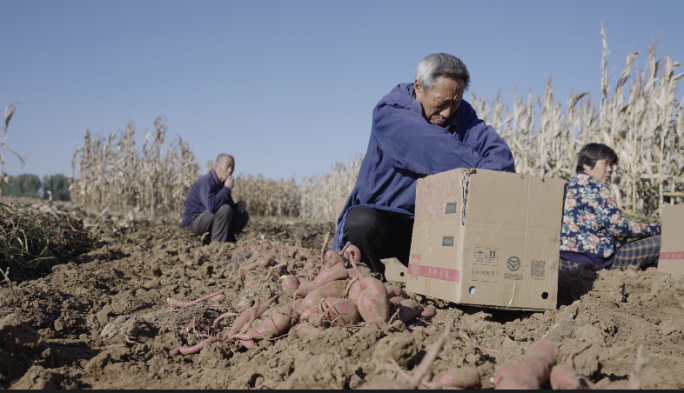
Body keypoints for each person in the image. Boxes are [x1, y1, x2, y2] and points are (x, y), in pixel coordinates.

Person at [332, 53, 515, 275]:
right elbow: (432, 148)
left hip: (434, 225)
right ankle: (370, 281)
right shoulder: (390, 113)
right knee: (361, 221)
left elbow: (501, 159)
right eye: (441, 103)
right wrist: (481, 174)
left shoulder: (464, 116)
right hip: (387, 222)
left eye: (455, 104)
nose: (447, 113)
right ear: (419, 87)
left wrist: (488, 178)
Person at [560, 143, 661, 270]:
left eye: (611, 165)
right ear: (586, 164)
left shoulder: (568, 186)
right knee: (662, 242)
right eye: (605, 164)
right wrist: (658, 229)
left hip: (565, 257)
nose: (610, 169)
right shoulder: (596, 187)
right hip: (594, 259)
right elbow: (618, 227)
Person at [182, 154, 249, 243]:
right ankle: (216, 247)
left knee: (243, 215)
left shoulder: (223, 184)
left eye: (232, 167)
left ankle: (228, 241)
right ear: (216, 165)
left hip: (209, 219)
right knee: (225, 209)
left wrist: (238, 206)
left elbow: (229, 206)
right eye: (227, 166)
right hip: (193, 223)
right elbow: (212, 206)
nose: (230, 170)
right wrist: (226, 189)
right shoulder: (206, 182)